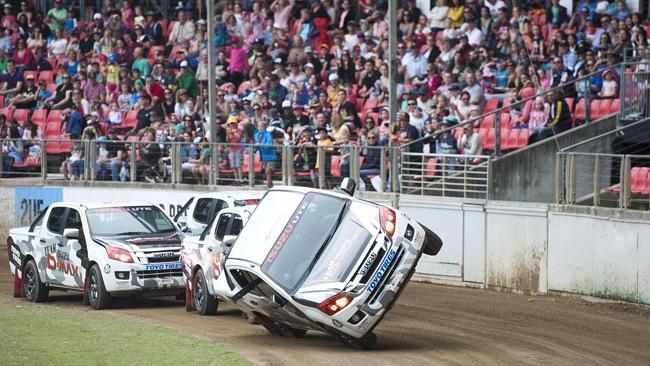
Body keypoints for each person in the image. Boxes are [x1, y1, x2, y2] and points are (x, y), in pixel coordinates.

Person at [254, 120, 277, 188]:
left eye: (262, 126)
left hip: (270, 156)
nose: (260, 128)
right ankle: (270, 185)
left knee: (268, 171)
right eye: (259, 126)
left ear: (265, 127)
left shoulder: (268, 134)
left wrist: (261, 144)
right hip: (264, 156)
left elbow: (269, 144)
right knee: (266, 172)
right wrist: (257, 146)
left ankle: (269, 185)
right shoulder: (258, 135)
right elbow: (258, 148)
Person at [226, 116, 244, 185]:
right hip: (231, 149)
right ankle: (236, 179)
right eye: (231, 123)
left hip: (238, 148)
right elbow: (228, 140)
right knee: (233, 165)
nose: (232, 124)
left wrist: (234, 132)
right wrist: (228, 134)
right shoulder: (228, 130)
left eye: (233, 123)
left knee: (238, 165)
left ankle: (241, 180)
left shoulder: (239, 130)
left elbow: (239, 138)